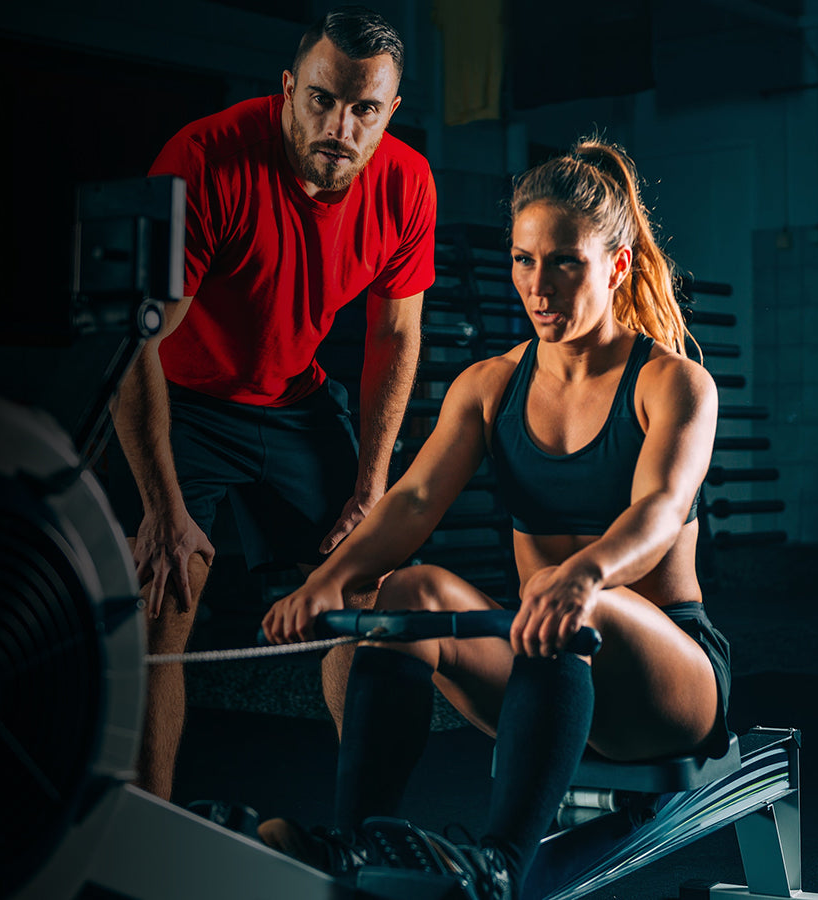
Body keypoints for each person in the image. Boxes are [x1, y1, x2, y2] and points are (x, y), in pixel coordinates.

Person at [259, 138, 731, 899]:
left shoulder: (674, 384)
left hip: (665, 681)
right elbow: (411, 501)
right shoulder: (490, 385)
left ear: (615, 265)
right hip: (545, 656)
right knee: (407, 590)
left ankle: (502, 866)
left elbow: (661, 506)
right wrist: (327, 583)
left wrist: (581, 577)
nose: (538, 287)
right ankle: (352, 847)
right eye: (523, 261)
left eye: (565, 263)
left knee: (569, 597)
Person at [111, 5, 436, 800]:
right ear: (289, 90)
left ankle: (366, 833)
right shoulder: (206, 159)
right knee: (165, 592)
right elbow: (133, 343)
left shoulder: (406, 183)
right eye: (322, 99)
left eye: (365, 109)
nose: (341, 126)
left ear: (390, 113)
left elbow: (394, 340)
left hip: (293, 400)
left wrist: (371, 487)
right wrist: (160, 503)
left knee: (362, 588)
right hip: (180, 396)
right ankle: (148, 833)